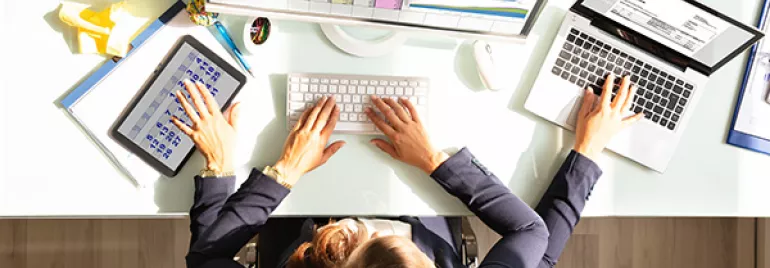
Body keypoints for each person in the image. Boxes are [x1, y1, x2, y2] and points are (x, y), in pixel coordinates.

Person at [176, 73, 641, 268]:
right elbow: (534, 240)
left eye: (372, 240)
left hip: (297, 226)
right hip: (421, 197)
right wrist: (587, 150)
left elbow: (206, 258)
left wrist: (266, 169)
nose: (372, 227)